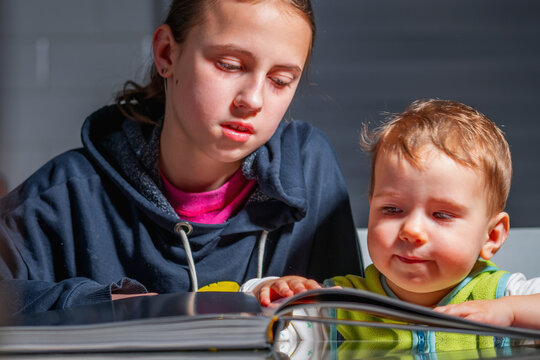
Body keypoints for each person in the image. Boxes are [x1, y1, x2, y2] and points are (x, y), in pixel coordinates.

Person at [0, 0, 362, 315]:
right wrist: (97, 304)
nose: (253, 100)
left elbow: (351, 320)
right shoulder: (66, 194)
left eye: (280, 80)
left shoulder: (309, 166)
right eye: (230, 64)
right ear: (167, 54)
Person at [243, 99, 540, 353]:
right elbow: (264, 325)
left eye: (441, 215)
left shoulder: (501, 296)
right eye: (392, 209)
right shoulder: (343, 303)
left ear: (491, 235)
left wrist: (510, 313)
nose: (411, 230)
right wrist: (269, 290)